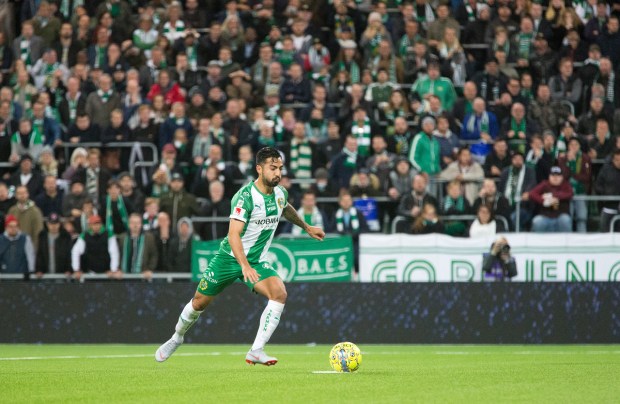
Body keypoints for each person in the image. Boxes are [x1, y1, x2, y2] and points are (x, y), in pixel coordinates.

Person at [155, 147, 325, 365]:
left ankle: (256, 350)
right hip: (228, 258)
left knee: (279, 293)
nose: (278, 173)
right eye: (273, 168)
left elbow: (285, 208)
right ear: (259, 169)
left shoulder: (280, 193)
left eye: (280, 168)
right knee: (198, 303)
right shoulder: (245, 197)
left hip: (256, 261)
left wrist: (306, 227)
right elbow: (233, 234)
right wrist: (244, 265)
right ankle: (176, 337)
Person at [71, 214, 120, 279]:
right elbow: (75, 251)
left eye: (98, 224)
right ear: (90, 225)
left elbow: (114, 252)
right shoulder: (84, 236)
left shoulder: (109, 235)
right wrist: (76, 269)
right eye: (94, 224)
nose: (96, 226)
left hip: (106, 273)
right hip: (89, 272)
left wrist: (113, 269)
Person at [529, 166, 574, 233]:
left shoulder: (565, 185)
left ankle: (567, 239)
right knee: (537, 221)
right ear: (549, 177)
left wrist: (554, 196)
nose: (555, 178)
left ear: (562, 177)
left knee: (565, 220)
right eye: (553, 175)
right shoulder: (545, 184)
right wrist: (544, 201)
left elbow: (570, 193)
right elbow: (532, 193)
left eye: (558, 175)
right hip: (545, 216)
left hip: (561, 216)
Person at [117, 213, 158, 279]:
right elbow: (117, 255)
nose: (135, 225)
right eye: (133, 223)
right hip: (123, 275)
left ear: (141, 224)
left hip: (143, 276)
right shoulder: (122, 238)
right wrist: (118, 269)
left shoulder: (149, 238)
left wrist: (150, 269)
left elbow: (154, 255)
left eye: (137, 223)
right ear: (129, 224)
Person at [7, 185, 44, 253]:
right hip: (14, 248)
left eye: (24, 193)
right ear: (16, 195)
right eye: (19, 193)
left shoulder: (35, 211)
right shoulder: (12, 211)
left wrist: (34, 249)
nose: (22, 195)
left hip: (30, 248)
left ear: (27, 194)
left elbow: (38, 232)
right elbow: (8, 231)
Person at [594, 149, 620, 232]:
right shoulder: (606, 170)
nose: (619, 162)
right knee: (605, 233)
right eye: (616, 160)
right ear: (613, 160)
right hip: (608, 206)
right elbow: (598, 185)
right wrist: (605, 194)